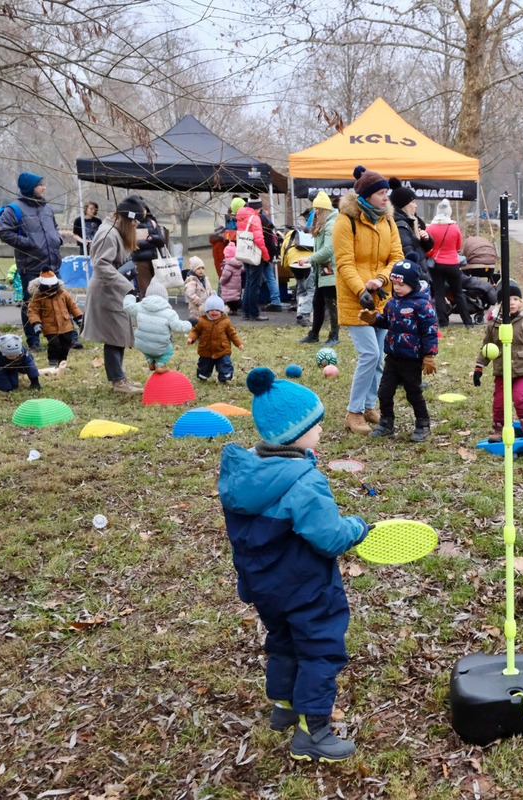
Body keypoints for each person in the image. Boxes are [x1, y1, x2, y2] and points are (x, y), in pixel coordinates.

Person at [218, 367, 370, 763]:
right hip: (306, 586)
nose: (320, 431)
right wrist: (356, 527)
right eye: (316, 425)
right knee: (320, 649)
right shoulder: (303, 482)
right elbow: (330, 537)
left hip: (264, 585)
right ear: (296, 432)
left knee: (283, 641)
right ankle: (313, 731)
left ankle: (284, 706)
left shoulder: (247, 472)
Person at [334, 165, 403, 435]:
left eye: (387, 192)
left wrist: (382, 280)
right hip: (356, 299)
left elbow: (396, 257)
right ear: (367, 195)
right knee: (369, 354)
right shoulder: (345, 221)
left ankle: (368, 405)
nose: (386, 197)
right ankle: (353, 412)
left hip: (381, 295)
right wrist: (361, 288)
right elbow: (344, 262)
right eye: (382, 193)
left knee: (380, 357)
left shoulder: (388, 220)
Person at [359, 258, 438, 441]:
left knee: (413, 392)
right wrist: (372, 319)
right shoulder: (392, 303)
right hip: (393, 357)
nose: (397, 288)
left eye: (402, 284)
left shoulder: (422, 305)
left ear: (412, 284)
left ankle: (423, 424)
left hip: (412, 359)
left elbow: (430, 331)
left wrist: (429, 355)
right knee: (384, 391)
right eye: (395, 284)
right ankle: (386, 423)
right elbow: (386, 322)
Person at [82, 196, 144, 393]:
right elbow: (100, 264)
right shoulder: (108, 234)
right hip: (107, 291)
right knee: (114, 336)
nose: (135, 225)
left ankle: (120, 378)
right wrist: (125, 285)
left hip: (114, 289)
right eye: (134, 221)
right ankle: (118, 381)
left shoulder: (116, 230)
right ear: (126, 218)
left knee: (118, 334)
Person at [473, 282, 523, 441]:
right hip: (502, 370)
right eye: (507, 299)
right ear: (500, 304)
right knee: (499, 402)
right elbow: (487, 347)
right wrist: (479, 368)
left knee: (520, 397)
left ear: (521, 301)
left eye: (515, 299)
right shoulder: (494, 324)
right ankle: (498, 429)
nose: (512, 302)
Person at [0, 172, 64, 350]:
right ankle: (33, 340)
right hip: (31, 265)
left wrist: (58, 239)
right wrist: (29, 244)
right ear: (29, 188)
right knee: (32, 305)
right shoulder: (14, 209)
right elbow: (4, 232)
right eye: (39, 185)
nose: (44, 187)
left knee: (57, 302)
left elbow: (55, 227)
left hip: (52, 263)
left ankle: (59, 337)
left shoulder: (46, 207)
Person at [124, 281, 192, 374]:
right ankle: (160, 365)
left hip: (142, 345)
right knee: (168, 350)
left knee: (148, 348)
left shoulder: (140, 307)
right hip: (160, 346)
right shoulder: (169, 313)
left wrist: (130, 295)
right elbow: (178, 327)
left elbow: (128, 307)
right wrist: (190, 323)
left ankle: (151, 362)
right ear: (165, 297)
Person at [300, 192, 341, 346]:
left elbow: (329, 250)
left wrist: (309, 259)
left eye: (318, 209)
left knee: (331, 304)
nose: (315, 211)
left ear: (324, 209)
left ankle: (334, 335)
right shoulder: (325, 222)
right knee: (318, 302)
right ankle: (314, 333)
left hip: (329, 269)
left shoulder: (331, 224)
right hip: (323, 269)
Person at [425, 199, 471, 327]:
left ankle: (443, 322)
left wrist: (432, 255)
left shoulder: (430, 228)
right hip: (452, 264)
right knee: (458, 293)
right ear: (449, 212)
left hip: (436, 265)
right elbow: (458, 246)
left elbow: (428, 248)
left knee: (439, 294)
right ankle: (468, 322)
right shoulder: (454, 227)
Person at [26, 269, 83, 370]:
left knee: (66, 344)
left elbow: (72, 306)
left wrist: (78, 317)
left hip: (66, 324)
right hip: (50, 326)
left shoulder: (63, 293)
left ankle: (62, 362)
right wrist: (36, 323)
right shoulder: (38, 297)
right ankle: (53, 362)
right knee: (54, 344)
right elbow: (33, 311)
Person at [389, 178, 434, 286]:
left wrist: (426, 239)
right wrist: (421, 279)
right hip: (414, 280)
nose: (416, 205)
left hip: (419, 277)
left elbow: (418, 249)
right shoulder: (401, 227)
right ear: (404, 205)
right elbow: (409, 254)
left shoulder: (410, 223)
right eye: (413, 202)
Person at [188, 294, 243, 382]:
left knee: (225, 364)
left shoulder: (225, 321)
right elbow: (195, 331)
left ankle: (225, 378)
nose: (214, 312)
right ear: (206, 311)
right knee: (204, 365)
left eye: (217, 310)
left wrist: (238, 343)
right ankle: (203, 376)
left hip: (222, 349)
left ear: (222, 311)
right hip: (206, 349)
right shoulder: (201, 321)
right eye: (211, 310)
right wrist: (191, 338)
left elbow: (232, 334)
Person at [236, 196, 272, 321]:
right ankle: (254, 313)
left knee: (248, 282)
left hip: (244, 253)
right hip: (255, 254)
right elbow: (258, 239)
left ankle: (245, 311)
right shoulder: (254, 218)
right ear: (258, 207)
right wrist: (266, 255)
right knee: (254, 284)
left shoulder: (241, 216)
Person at [131, 202, 166, 297]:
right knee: (145, 288)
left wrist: (153, 238)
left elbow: (162, 240)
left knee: (158, 287)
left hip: (155, 259)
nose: (142, 212)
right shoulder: (132, 223)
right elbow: (131, 244)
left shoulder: (152, 222)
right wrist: (149, 243)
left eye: (144, 209)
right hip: (140, 260)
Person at [218, 242, 244, 315]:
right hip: (236, 288)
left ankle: (229, 310)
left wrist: (221, 281)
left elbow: (225, 277)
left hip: (228, 289)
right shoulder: (238, 264)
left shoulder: (228, 266)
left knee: (228, 301)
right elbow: (243, 270)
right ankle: (234, 310)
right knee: (235, 299)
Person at [183, 256, 211, 322]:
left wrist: (210, 299)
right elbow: (190, 294)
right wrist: (199, 301)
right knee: (197, 324)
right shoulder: (192, 281)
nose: (201, 270)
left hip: (206, 307)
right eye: (198, 268)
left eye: (202, 268)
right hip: (196, 309)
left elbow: (209, 290)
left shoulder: (205, 279)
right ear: (193, 269)